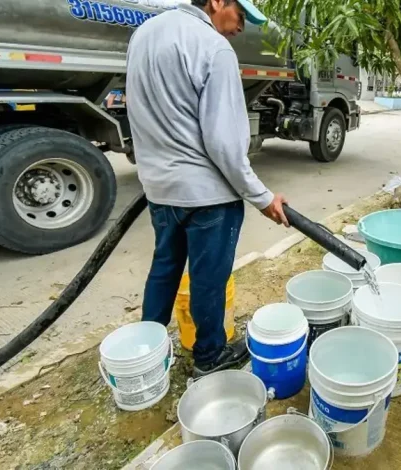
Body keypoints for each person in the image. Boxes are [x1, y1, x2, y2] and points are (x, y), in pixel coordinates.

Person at [126, 0, 289, 378]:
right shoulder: (213, 47)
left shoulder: (144, 34)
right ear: (217, 2)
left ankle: (145, 355)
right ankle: (209, 357)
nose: (241, 27)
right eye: (241, 15)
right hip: (207, 196)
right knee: (209, 279)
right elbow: (224, 143)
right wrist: (263, 197)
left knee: (164, 268)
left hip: (160, 188)